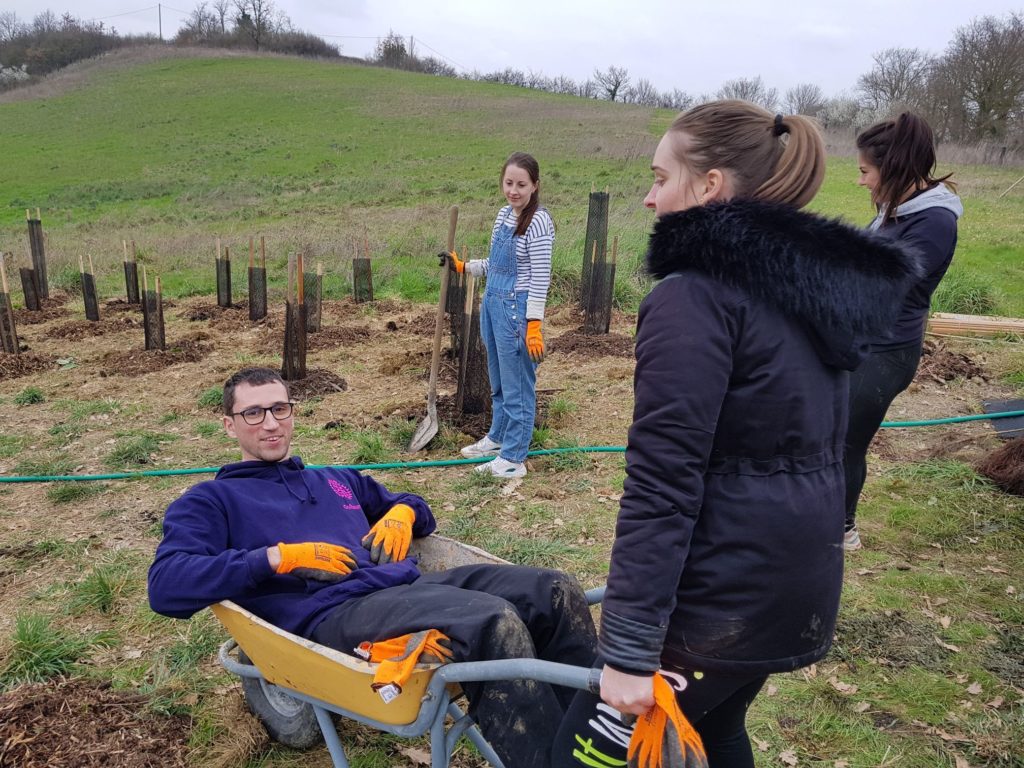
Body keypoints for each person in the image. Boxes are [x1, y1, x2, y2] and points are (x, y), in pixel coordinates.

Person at [552, 101, 922, 768]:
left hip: (718, 604)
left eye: (661, 177)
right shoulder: (807, 291)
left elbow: (663, 476)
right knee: (716, 733)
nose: (648, 196)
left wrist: (632, 651)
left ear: (711, 186)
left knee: (573, 756)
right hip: (792, 584)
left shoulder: (693, 297)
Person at [148, 367, 597, 768]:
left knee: (553, 588)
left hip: (406, 586)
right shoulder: (211, 501)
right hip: (332, 615)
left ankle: (589, 749)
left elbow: (413, 509)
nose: (270, 422)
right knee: (491, 621)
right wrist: (278, 557)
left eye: (279, 408)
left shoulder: (336, 480)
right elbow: (167, 585)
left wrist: (404, 513)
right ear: (229, 424)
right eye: (253, 413)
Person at [843, 112, 962, 550]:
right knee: (830, 431)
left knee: (845, 441)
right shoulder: (897, 210)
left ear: (894, 169)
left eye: (864, 172)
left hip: (887, 351)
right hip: (862, 340)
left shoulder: (933, 223)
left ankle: (843, 530)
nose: (861, 182)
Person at [442, 152, 553, 479]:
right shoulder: (504, 215)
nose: (514, 190)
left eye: (521, 184)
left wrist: (534, 324)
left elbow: (540, 276)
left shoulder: (539, 222)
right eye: (509, 183)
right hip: (493, 303)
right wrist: (465, 267)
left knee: (518, 382)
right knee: (500, 379)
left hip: (517, 310)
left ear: (535, 185)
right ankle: (499, 437)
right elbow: (497, 265)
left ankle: (513, 459)